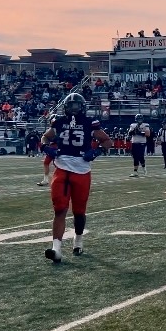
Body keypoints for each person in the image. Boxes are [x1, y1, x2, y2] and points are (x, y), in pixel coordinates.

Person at [43, 93, 114, 261]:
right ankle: (56, 249)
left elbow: (107, 142)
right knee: (60, 209)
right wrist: (46, 147)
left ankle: (78, 240)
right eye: (71, 105)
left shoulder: (90, 123)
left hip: (81, 170)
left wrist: (96, 151)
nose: (73, 109)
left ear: (82, 107)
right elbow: (45, 136)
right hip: (61, 169)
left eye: (76, 105)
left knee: (79, 212)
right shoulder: (58, 122)